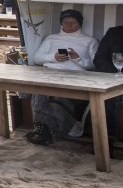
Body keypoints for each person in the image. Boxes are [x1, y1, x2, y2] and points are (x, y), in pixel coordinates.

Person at [26, 9, 100, 145]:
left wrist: (78, 59)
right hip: (51, 72)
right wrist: (53, 57)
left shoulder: (89, 41)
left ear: (80, 24)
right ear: (61, 24)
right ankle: (53, 129)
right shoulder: (51, 38)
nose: (69, 26)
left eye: (73, 23)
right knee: (38, 91)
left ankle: (45, 130)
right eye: (66, 22)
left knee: (55, 96)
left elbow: (96, 65)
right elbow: (37, 58)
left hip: (76, 75)